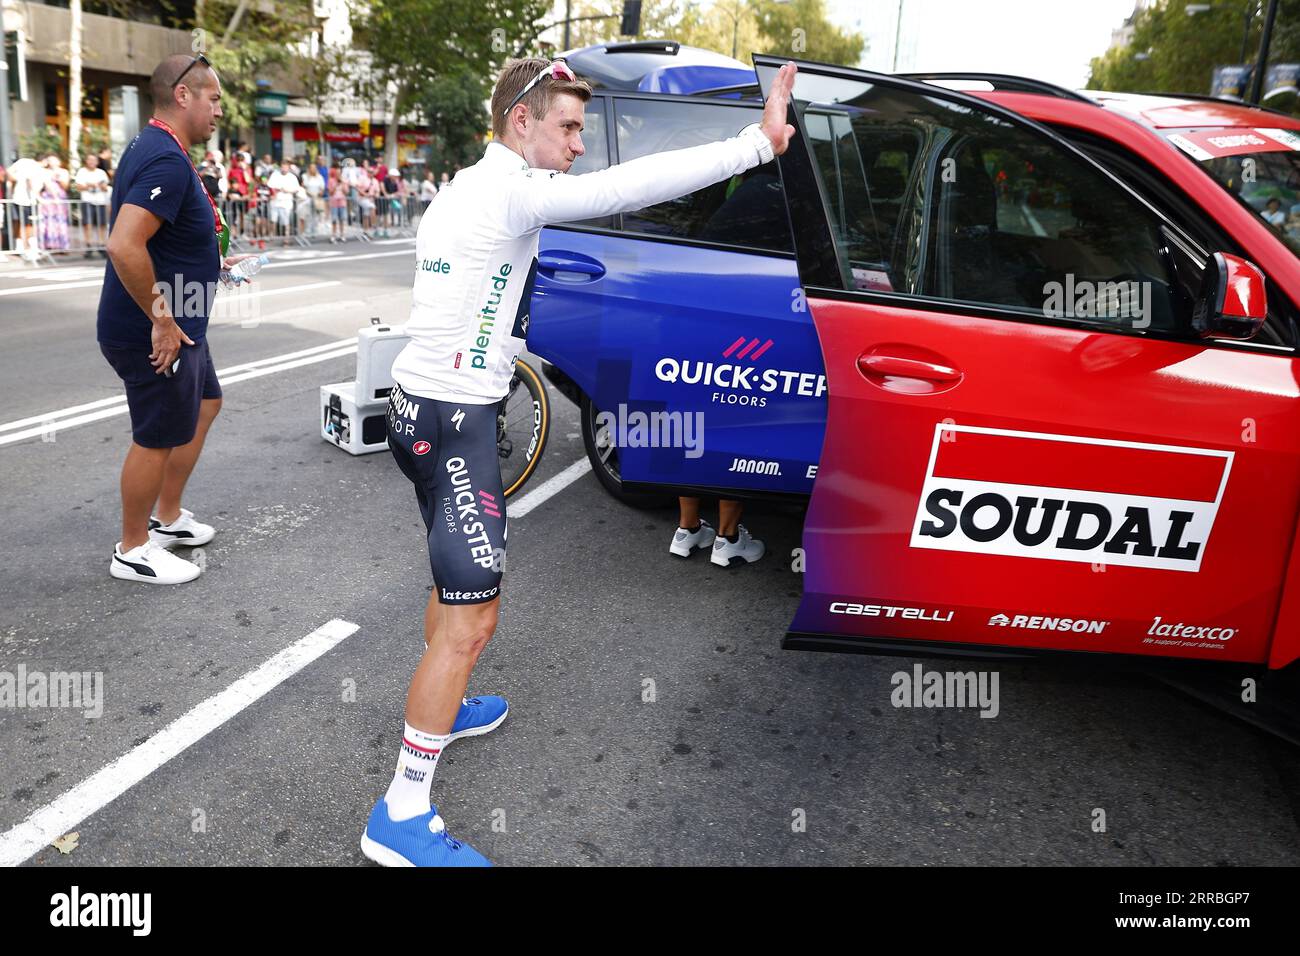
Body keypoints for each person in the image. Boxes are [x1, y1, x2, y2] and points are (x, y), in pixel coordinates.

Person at [360, 56, 798, 867]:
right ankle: (400, 812)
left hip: (424, 412)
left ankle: (445, 712)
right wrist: (756, 145)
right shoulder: (512, 190)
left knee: (450, 583)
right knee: (473, 619)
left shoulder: (470, 182)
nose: (576, 146)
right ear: (519, 121)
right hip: (450, 421)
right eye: (565, 127)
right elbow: (629, 187)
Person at [96, 53, 254, 585]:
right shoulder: (165, 157)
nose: (218, 112)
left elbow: (165, 237)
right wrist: (161, 320)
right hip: (159, 329)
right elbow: (124, 244)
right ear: (182, 96)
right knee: (156, 434)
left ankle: (165, 519)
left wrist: (215, 263)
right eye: (213, 99)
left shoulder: (158, 145)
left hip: (183, 323)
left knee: (207, 402)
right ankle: (132, 548)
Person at [6, 153, 46, 260]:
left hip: (20, 198)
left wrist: (14, 180)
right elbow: (30, 182)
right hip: (27, 200)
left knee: (21, 223)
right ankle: (28, 249)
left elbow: (9, 172)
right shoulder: (33, 165)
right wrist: (37, 196)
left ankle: (21, 247)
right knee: (28, 224)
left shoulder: (24, 162)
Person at [74, 152, 111, 256]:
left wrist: (98, 186)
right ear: (86, 161)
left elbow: (105, 186)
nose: (92, 162)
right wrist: (91, 185)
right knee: (88, 223)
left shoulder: (101, 172)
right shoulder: (82, 171)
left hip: (100, 201)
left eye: (94, 160)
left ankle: (101, 244)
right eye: (90, 159)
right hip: (88, 200)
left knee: (102, 224)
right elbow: (79, 187)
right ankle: (89, 244)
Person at [38, 154, 71, 253]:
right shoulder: (44, 172)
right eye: (50, 160)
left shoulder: (64, 172)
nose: (52, 163)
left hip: (60, 198)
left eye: (54, 160)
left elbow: (66, 186)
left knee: (60, 221)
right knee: (49, 221)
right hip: (48, 198)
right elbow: (41, 185)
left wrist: (58, 178)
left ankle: (62, 245)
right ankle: (49, 245)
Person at [267, 158, 300, 245]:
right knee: (273, 220)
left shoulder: (292, 177)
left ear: (288, 168)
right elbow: (269, 185)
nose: (284, 168)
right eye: (283, 167)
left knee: (286, 222)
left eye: (286, 167)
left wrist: (287, 191)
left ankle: (286, 238)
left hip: (286, 202)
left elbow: (296, 189)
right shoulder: (275, 174)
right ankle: (272, 237)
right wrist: (277, 189)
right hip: (275, 201)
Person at [328, 167, 348, 242]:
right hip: (334, 202)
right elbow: (330, 192)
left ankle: (342, 234)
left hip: (342, 202)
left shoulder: (344, 181)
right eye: (337, 174)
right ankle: (333, 235)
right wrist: (336, 185)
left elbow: (346, 192)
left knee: (342, 219)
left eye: (339, 174)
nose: (338, 175)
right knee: (334, 219)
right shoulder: (331, 181)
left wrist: (342, 184)